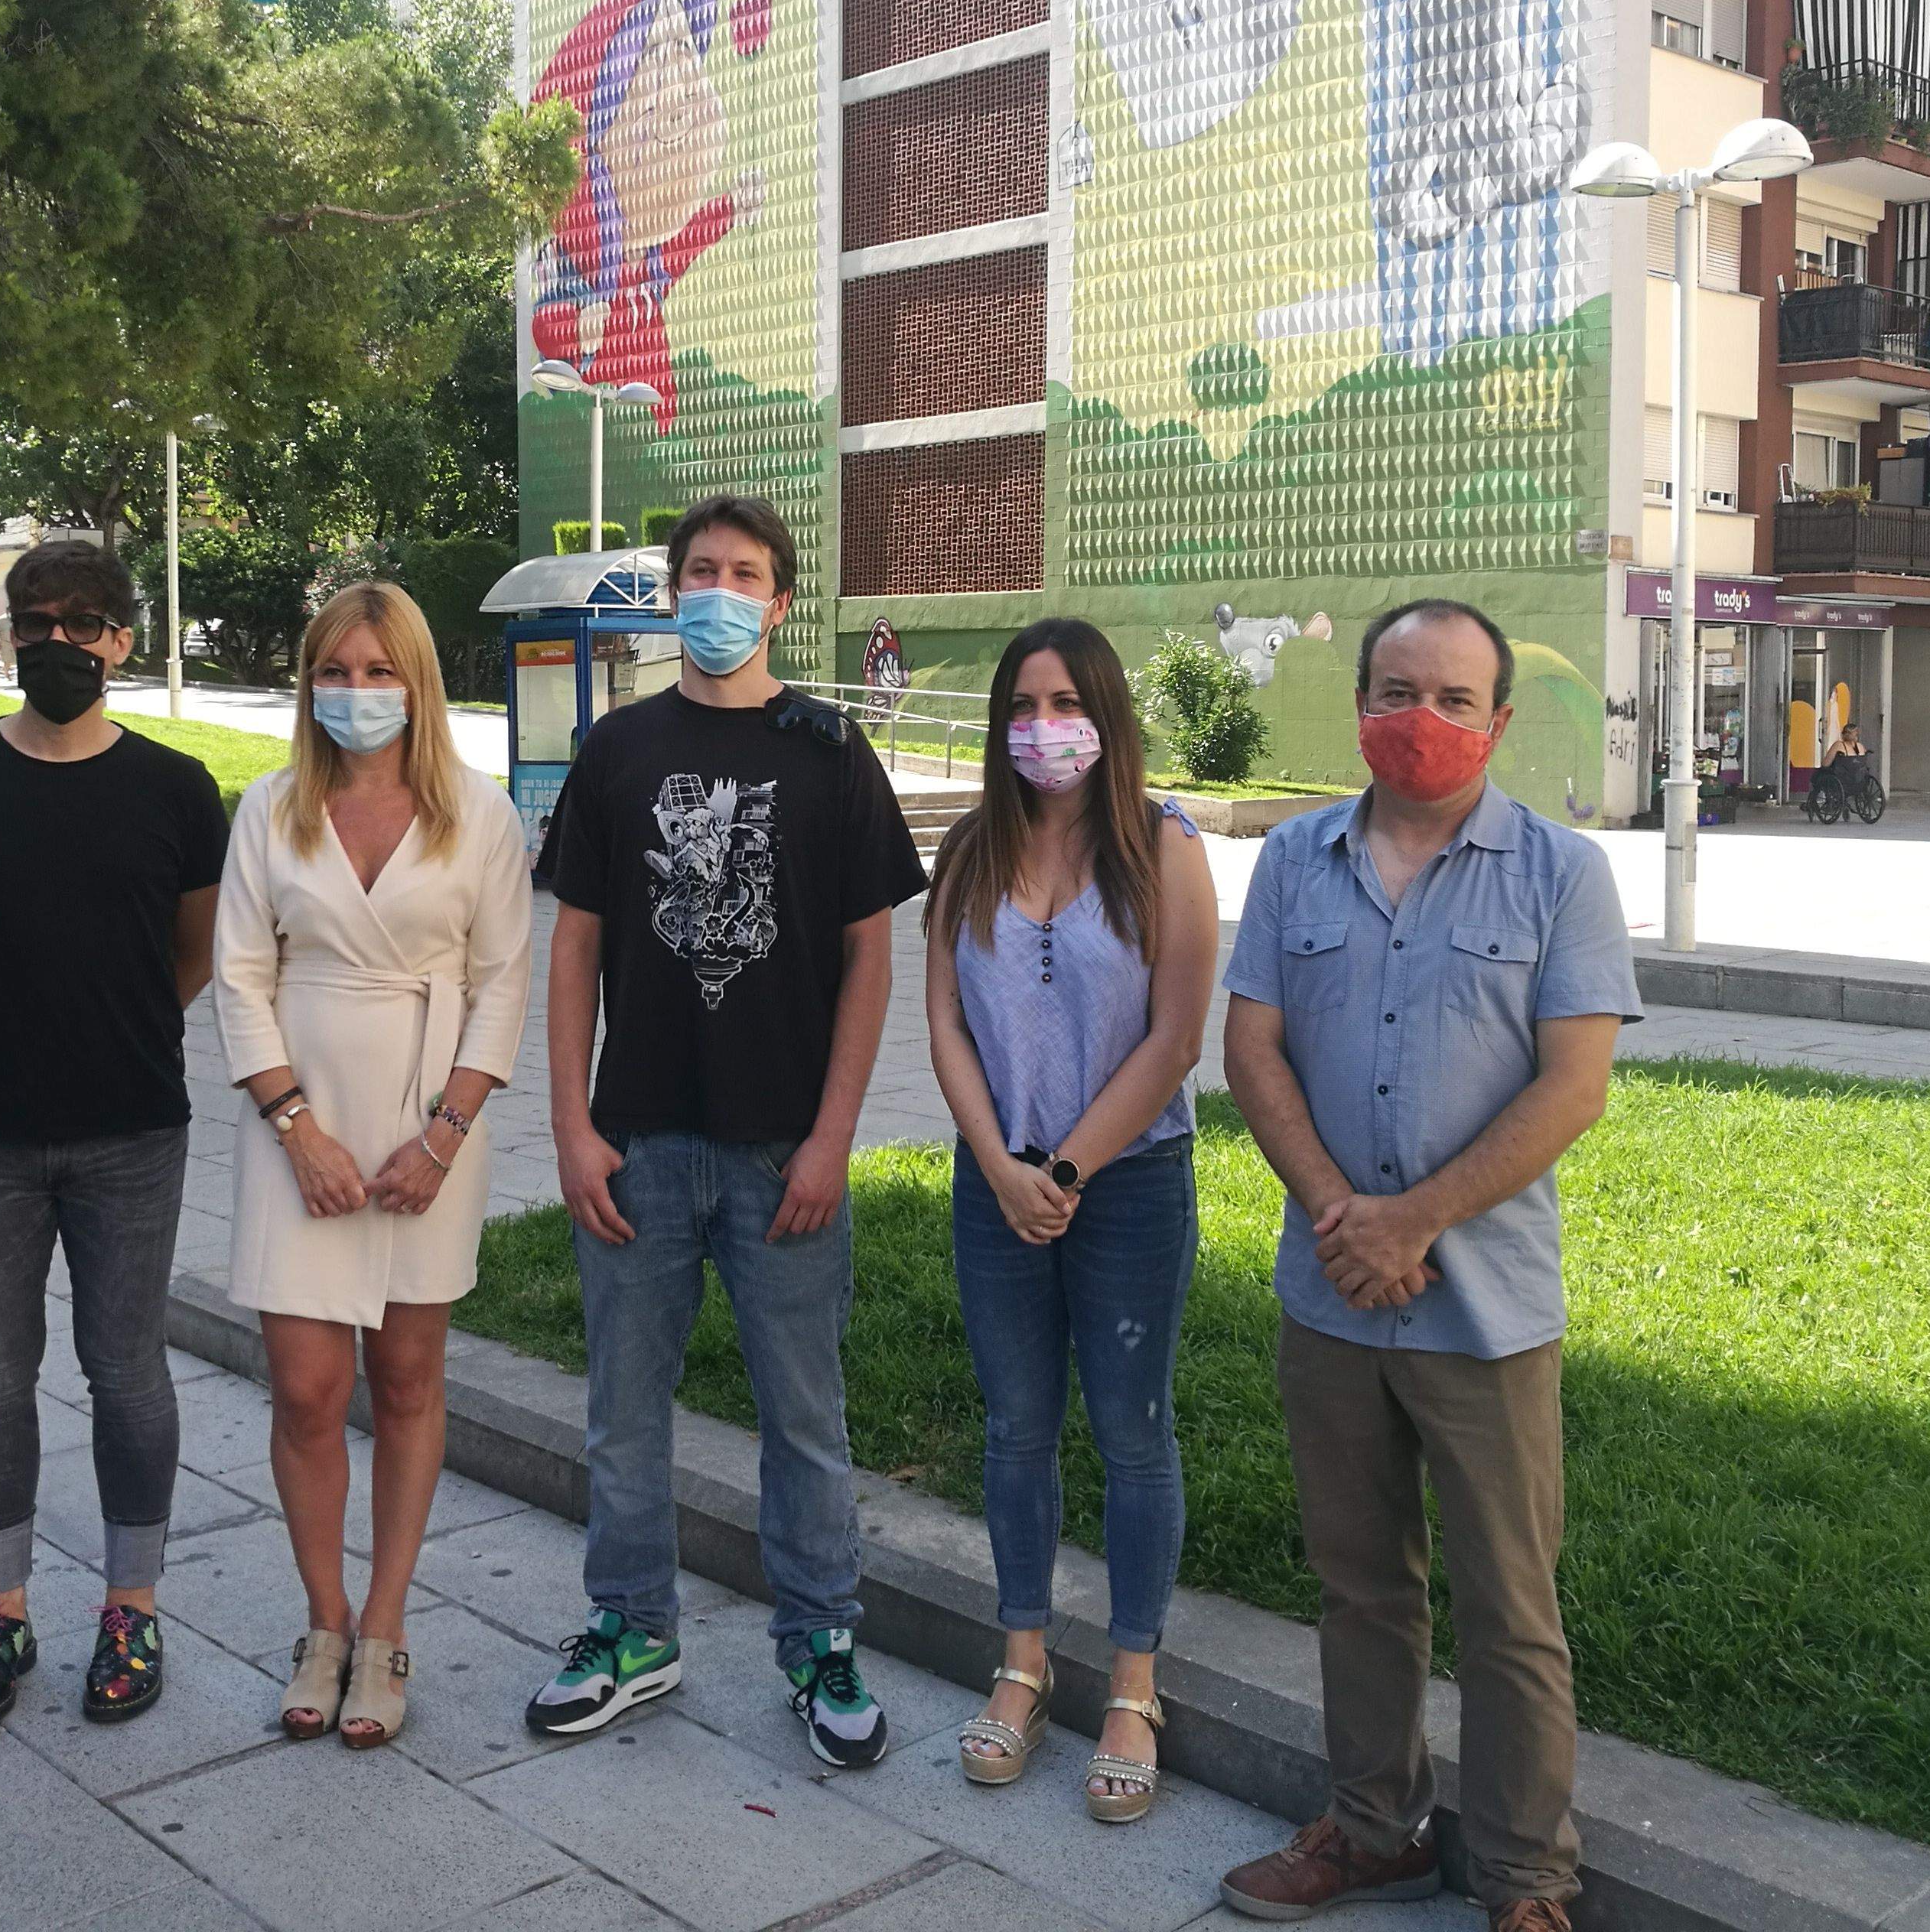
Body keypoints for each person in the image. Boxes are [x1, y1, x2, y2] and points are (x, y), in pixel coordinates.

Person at [1216, 600, 1639, 1931]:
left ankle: (1525, 1883)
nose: (1425, 719)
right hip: (1329, 1295)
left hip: (1488, 1306)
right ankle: (1373, 1829)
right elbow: (1252, 1049)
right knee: (1360, 1586)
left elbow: (1575, 1088)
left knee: (1510, 1608)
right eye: (1399, 690)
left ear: (1499, 724)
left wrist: (1416, 1223)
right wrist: (1348, 1214)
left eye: (1456, 700)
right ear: (1359, 705)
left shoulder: (1564, 874)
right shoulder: (1293, 859)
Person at [525, 493, 927, 1767]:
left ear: (782, 601)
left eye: (744, 572)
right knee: (620, 1410)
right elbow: (574, 947)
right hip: (639, 1138)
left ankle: (821, 1640)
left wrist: (834, 1135)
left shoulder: (832, 755)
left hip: (782, 1151)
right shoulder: (618, 751)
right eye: (699, 569)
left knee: (804, 1413)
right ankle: (633, 1627)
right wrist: (573, 1128)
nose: (720, 589)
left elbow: (872, 959)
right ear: (670, 592)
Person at [0, 540, 229, 1731]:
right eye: (39, 620)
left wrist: (108, 1030)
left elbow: (192, 954)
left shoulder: (178, 788)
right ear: (7, 633)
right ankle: (2, 1613)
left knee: (126, 1372)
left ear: (126, 641)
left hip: (132, 1129)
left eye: (87, 624)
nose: (61, 643)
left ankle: (131, 1608)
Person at [214, 583, 532, 1748]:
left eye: (379, 672)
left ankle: (387, 1623)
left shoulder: (479, 816)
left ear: (419, 684)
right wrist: (296, 1128)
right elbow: (240, 976)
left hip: (427, 1133)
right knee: (305, 1390)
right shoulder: (270, 809)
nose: (357, 694)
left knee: (406, 1379)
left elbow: (502, 981)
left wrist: (445, 1135)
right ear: (309, 685)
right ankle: (325, 1621)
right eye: (336, 673)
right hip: (296, 1126)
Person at [924, 620, 1217, 1822]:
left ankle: (1135, 1687)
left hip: (1131, 1183)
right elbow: (942, 1021)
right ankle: (1024, 1665)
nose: (1045, 725)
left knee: (1131, 1431)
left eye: (1066, 701)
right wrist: (1002, 1165)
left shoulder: (1166, 848)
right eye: (1024, 704)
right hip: (997, 1183)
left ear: (1106, 713)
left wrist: (1070, 1168)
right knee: (1017, 1428)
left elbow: (1178, 1037)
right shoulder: (968, 852)